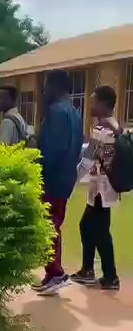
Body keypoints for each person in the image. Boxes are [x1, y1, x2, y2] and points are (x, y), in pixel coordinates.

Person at [35, 69, 83, 296]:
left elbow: (52, 151)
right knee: (53, 223)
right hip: (66, 178)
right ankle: (51, 273)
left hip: (52, 179)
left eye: (46, 87)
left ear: (55, 87)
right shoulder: (75, 113)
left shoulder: (56, 112)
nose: (44, 91)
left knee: (49, 225)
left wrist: (35, 163)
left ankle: (56, 273)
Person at [72, 86, 120, 290]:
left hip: (102, 189)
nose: (90, 105)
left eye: (93, 102)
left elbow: (87, 161)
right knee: (91, 227)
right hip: (105, 188)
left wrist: (71, 180)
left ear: (103, 104)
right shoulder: (115, 126)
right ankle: (91, 271)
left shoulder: (102, 130)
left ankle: (109, 276)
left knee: (98, 231)